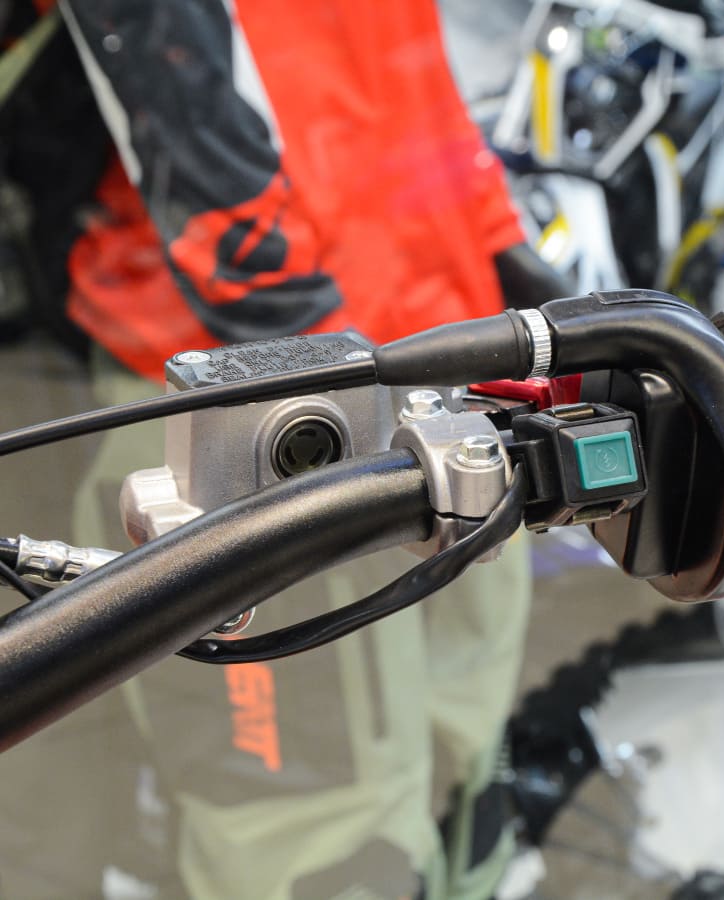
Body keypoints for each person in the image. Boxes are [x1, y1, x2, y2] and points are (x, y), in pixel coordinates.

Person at [56, 2, 564, 897]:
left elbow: (401, 57)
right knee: (319, 837)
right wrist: (315, 360)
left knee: (462, 761)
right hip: (252, 388)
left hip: (440, 355)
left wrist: (494, 242)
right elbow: (169, 83)